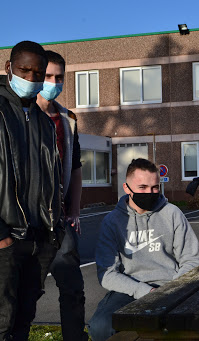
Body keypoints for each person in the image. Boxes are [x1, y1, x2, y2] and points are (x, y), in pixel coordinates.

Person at [88, 158, 199, 341]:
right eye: (142, 187)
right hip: (129, 290)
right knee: (100, 327)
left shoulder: (172, 213)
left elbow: (191, 259)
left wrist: (174, 288)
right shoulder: (112, 222)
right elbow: (108, 274)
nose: (150, 192)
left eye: (155, 187)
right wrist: (144, 291)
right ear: (127, 188)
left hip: (171, 285)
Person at [0, 41, 62, 340]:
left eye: (38, 72)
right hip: (5, 239)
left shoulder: (44, 122)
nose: (31, 78)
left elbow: (53, 179)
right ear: (8, 67)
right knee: (2, 322)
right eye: (24, 70)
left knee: (24, 319)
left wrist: (55, 231)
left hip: (39, 239)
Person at [36, 50, 87, 341]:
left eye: (59, 77)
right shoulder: (20, 115)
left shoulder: (67, 119)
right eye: (47, 76)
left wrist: (75, 211)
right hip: (26, 220)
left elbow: (76, 168)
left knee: (73, 290)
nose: (53, 82)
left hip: (60, 219)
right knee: (23, 292)